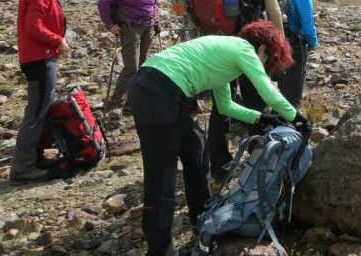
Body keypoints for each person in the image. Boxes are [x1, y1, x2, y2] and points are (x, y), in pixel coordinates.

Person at [128, 20, 308, 256]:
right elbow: (270, 94)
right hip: (157, 92)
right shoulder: (243, 49)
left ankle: (202, 217)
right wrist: (297, 118)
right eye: (268, 60)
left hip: (157, 89)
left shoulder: (226, 57)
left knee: (196, 146)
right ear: (263, 49)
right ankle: (160, 249)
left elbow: (225, 106)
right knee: (161, 176)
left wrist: (262, 119)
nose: (263, 66)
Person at [207, 0, 284, 186]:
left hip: (218, 47)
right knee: (255, 98)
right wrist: (280, 41)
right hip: (248, 45)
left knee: (221, 105)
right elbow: (273, 7)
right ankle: (261, 156)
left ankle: (219, 166)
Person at [10, 0, 70, 183]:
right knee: (36, 112)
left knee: (40, 109)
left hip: (39, 57)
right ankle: (23, 167)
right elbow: (33, 27)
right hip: (39, 59)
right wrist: (58, 40)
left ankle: (34, 158)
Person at [96, 0, 159, 119]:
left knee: (143, 66)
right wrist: (110, 25)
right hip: (131, 29)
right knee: (131, 67)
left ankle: (133, 102)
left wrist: (156, 21)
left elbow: (154, 5)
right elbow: (103, 2)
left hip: (148, 28)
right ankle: (116, 105)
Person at [280, 0, 319, 107]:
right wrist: (314, 43)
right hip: (296, 47)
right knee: (293, 92)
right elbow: (308, 28)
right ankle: (289, 124)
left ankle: (278, 117)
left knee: (283, 86)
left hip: (279, 44)